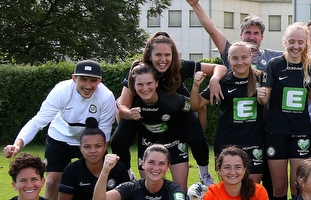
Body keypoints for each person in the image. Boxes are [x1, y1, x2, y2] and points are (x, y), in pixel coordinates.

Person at [117, 31, 224, 186]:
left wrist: (214, 79)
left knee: (197, 138)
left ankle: (204, 174)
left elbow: (219, 68)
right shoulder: (140, 71)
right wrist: (130, 115)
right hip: (141, 112)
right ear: (149, 55)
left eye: (167, 55)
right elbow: (122, 106)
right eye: (158, 55)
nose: (163, 59)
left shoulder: (181, 67)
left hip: (178, 110)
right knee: (119, 140)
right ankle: (127, 175)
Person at [4, 60, 116, 200]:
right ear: (74, 78)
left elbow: (103, 134)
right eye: (83, 80)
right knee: (52, 183)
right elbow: (38, 121)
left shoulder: (106, 97)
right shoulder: (61, 91)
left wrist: (95, 151)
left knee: (96, 180)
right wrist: (17, 144)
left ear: (99, 81)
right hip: (59, 138)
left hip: (89, 143)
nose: (88, 85)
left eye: (93, 80)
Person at [258, 22, 311, 200]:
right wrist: (262, 97)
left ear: (305, 44)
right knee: (279, 186)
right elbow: (265, 98)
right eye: (291, 41)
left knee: (297, 185)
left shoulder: (310, 66)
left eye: (300, 42)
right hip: (276, 131)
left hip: (301, 132)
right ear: (285, 41)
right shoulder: (275, 64)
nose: (295, 46)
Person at [110, 62, 196, 190]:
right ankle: (128, 175)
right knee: (148, 188)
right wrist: (129, 115)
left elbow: (196, 107)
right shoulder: (130, 101)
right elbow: (121, 111)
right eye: (140, 84)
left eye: (149, 83)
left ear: (156, 83)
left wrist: (193, 135)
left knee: (180, 188)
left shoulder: (173, 100)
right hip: (147, 144)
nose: (145, 88)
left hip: (174, 142)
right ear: (133, 85)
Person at [188, 42, 265, 183]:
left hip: (254, 142)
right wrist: (196, 85)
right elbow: (196, 105)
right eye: (235, 58)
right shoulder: (222, 82)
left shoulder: (262, 79)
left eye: (244, 57)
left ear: (251, 57)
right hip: (227, 142)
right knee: (229, 189)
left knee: (252, 189)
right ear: (228, 59)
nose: (240, 62)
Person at [185, 0, 282, 72]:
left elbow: (295, 52)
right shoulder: (230, 51)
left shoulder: (271, 56)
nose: (251, 37)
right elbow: (212, 31)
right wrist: (195, 5)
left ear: (262, 36)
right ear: (241, 34)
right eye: (248, 32)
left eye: (256, 33)